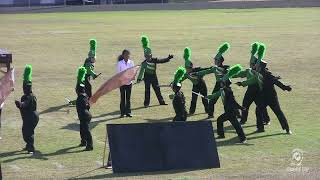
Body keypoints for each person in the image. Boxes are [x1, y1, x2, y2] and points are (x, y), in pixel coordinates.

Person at [255, 44, 292, 134]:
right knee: (258, 111)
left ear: (260, 67)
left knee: (278, 112)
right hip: (263, 97)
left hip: (271, 97)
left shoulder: (267, 74)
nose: (255, 66)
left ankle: (287, 129)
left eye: (257, 65)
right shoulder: (258, 72)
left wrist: (285, 87)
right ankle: (260, 128)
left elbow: (276, 82)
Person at [207, 64, 247, 143]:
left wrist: (241, 108)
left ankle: (243, 138)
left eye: (222, 82)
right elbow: (216, 95)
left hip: (231, 111)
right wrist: (209, 97)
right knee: (224, 121)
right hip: (229, 111)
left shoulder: (228, 91)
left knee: (234, 125)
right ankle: (223, 135)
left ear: (225, 83)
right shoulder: (222, 90)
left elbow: (233, 101)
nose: (220, 82)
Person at [234, 42, 270, 125]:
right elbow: (240, 74)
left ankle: (266, 120)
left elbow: (252, 81)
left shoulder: (259, 73)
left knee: (261, 106)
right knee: (245, 105)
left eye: (252, 64)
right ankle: (243, 120)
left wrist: (242, 83)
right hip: (250, 90)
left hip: (258, 91)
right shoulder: (249, 71)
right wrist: (230, 74)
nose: (250, 65)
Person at [193, 42, 230, 119]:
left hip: (225, 85)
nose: (214, 60)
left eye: (216, 59)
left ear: (219, 61)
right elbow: (206, 72)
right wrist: (196, 73)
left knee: (229, 101)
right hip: (219, 85)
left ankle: (235, 114)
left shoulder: (226, 68)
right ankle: (210, 114)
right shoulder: (216, 68)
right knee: (213, 100)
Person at [137, 35, 174, 107]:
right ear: (145, 56)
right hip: (147, 77)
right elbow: (141, 72)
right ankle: (146, 104)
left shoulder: (154, 60)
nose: (148, 57)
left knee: (157, 89)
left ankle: (161, 102)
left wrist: (168, 58)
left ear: (151, 55)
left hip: (154, 76)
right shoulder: (144, 63)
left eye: (149, 55)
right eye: (147, 56)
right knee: (147, 91)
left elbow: (162, 61)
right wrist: (139, 78)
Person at [15, 65, 39, 153]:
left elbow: (24, 105)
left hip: (31, 117)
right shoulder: (28, 96)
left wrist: (19, 104)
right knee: (25, 132)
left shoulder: (29, 97)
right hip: (29, 117)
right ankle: (28, 145)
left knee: (29, 132)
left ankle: (31, 148)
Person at [180, 47, 209, 115]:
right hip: (195, 86)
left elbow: (205, 70)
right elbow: (181, 78)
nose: (187, 69)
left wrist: (211, 68)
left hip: (202, 85)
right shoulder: (186, 73)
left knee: (204, 99)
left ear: (191, 67)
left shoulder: (197, 71)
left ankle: (208, 111)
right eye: (186, 68)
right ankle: (191, 111)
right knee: (193, 99)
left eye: (188, 68)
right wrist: (175, 82)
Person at [76, 66, 93, 151]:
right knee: (82, 129)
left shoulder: (81, 97)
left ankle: (90, 145)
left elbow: (82, 105)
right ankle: (83, 141)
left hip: (84, 115)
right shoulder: (84, 95)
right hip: (85, 114)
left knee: (86, 130)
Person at [117, 49, 134, 118]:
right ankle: (122, 112)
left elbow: (132, 71)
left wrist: (132, 77)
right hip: (122, 83)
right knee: (122, 98)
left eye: (128, 54)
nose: (127, 56)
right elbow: (118, 73)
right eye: (126, 54)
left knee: (128, 98)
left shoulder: (131, 62)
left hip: (129, 83)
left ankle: (128, 112)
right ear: (123, 55)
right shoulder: (120, 63)